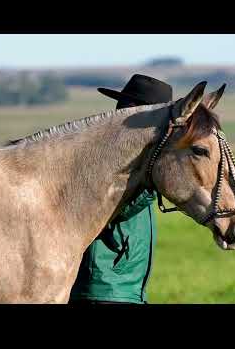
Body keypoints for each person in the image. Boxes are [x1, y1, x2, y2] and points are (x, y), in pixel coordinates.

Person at [69, 74, 173, 304]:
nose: (119, 111)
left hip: (126, 289)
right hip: (102, 288)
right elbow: (111, 207)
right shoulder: (102, 158)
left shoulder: (138, 159)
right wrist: (151, 184)